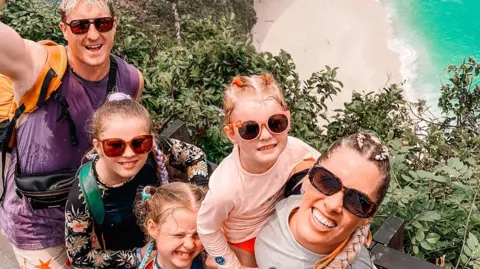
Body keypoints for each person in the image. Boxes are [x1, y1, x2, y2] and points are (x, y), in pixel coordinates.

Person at [0, 0, 144, 267]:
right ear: (64, 30)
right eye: (79, 26)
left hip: (95, 219)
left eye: (103, 23)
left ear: (114, 26)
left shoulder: (131, 79)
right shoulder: (37, 65)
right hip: (37, 227)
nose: (93, 34)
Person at [65, 93, 208, 268]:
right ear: (98, 146)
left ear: (150, 139)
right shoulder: (84, 192)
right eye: (115, 145)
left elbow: (195, 156)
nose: (129, 153)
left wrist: (196, 199)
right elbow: (79, 256)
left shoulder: (154, 150)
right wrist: (137, 256)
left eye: (139, 143)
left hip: (181, 246)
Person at [197, 73, 320, 269]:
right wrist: (229, 264)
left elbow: (327, 166)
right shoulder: (226, 187)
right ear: (232, 134)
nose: (265, 136)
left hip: (278, 220)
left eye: (276, 123)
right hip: (246, 240)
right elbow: (207, 228)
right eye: (250, 129)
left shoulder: (294, 149)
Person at [255, 132, 391, 269]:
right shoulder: (282, 188)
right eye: (326, 181)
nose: (333, 205)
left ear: (367, 218)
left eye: (357, 202)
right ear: (309, 177)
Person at [136, 182, 207, 269]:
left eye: (198, 234)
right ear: (153, 228)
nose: (190, 245)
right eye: (179, 235)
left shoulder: (212, 261)